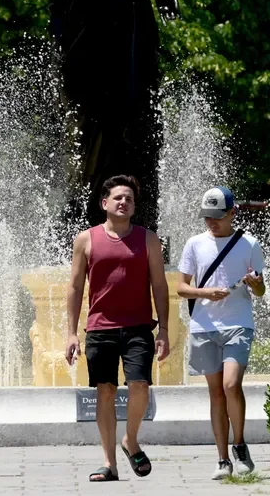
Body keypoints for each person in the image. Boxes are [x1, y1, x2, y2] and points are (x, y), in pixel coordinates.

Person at [11, 0, 179, 230]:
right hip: (75, 11)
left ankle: (130, 208)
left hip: (125, 11)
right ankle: (82, 205)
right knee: (81, 108)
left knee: (129, 109)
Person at [65, 174, 171, 482]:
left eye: (130, 199)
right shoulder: (86, 239)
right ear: (104, 203)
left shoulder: (148, 239)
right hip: (100, 328)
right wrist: (71, 332)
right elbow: (74, 287)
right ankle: (109, 464)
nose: (124, 202)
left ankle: (131, 440)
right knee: (105, 391)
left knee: (140, 385)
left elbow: (160, 285)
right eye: (118, 198)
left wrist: (163, 329)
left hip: (139, 326)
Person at [176, 186, 266, 480]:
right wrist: (206, 292)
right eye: (206, 217)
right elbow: (181, 287)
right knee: (215, 394)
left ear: (232, 213)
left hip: (238, 323)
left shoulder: (249, 243)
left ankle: (239, 445)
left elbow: (261, 290)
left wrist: (254, 285)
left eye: (217, 216)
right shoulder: (194, 244)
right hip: (204, 326)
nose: (211, 222)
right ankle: (222, 459)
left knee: (230, 386)